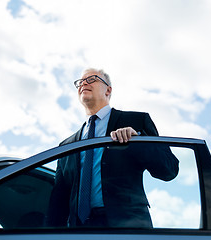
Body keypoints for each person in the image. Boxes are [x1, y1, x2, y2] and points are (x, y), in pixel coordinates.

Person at [47, 68, 179, 228]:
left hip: (128, 227)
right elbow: (58, 201)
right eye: (80, 82)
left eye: (91, 79)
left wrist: (139, 139)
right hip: (80, 231)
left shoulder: (137, 121)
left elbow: (169, 170)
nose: (83, 84)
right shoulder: (66, 146)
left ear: (108, 90)